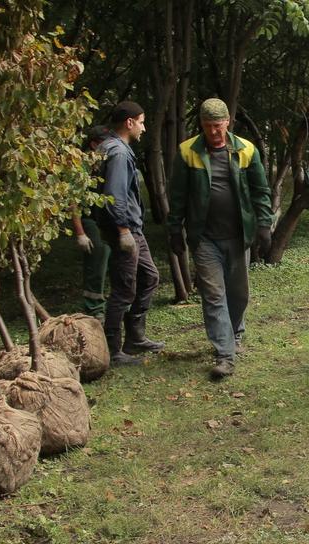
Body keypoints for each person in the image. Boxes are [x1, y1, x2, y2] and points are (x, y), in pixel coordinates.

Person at [169, 98, 273, 380]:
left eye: (218, 125)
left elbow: (260, 190)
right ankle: (224, 355)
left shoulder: (245, 150)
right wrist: (174, 229)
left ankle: (235, 333)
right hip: (205, 238)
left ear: (228, 122)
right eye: (207, 126)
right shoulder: (188, 152)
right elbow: (177, 195)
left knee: (238, 294)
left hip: (238, 236)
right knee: (214, 295)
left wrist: (264, 224)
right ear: (201, 125)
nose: (213, 132)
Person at [96, 101, 165, 367]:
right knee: (124, 290)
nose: (144, 128)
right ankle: (112, 350)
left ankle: (135, 337)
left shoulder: (111, 147)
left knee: (149, 276)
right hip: (124, 230)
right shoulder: (119, 153)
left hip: (132, 228)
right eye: (142, 121)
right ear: (129, 123)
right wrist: (123, 231)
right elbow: (114, 195)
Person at [72, 125, 112, 319]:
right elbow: (73, 201)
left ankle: (112, 305)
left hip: (108, 219)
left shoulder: (107, 161)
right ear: (94, 143)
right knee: (97, 260)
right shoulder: (82, 165)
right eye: (103, 142)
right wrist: (80, 233)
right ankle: (94, 309)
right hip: (90, 220)